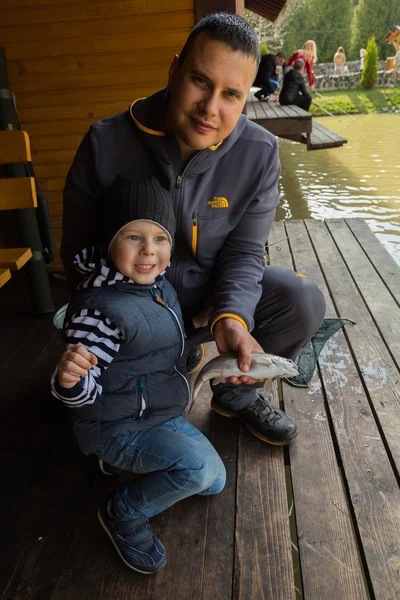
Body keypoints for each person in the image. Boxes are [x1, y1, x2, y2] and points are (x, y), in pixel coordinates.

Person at [61, 13, 326, 449]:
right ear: (174, 69)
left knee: (302, 297)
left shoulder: (259, 153)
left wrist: (231, 318)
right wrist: (138, 324)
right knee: (106, 428)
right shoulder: (104, 143)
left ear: (246, 98)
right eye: (201, 81)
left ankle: (234, 397)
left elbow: (245, 253)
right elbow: (77, 257)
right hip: (130, 312)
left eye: (231, 95)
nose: (210, 108)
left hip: (205, 307)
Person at [51, 174, 226, 574]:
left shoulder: (156, 287)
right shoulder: (100, 311)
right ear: (109, 241)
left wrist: (203, 320)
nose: (149, 251)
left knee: (215, 481)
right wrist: (70, 378)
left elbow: (161, 341)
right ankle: (121, 513)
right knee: (197, 471)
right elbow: (83, 389)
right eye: (133, 238)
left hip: (153, 411)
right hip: (115, 424)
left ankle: (116, 467)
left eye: (160, 239)